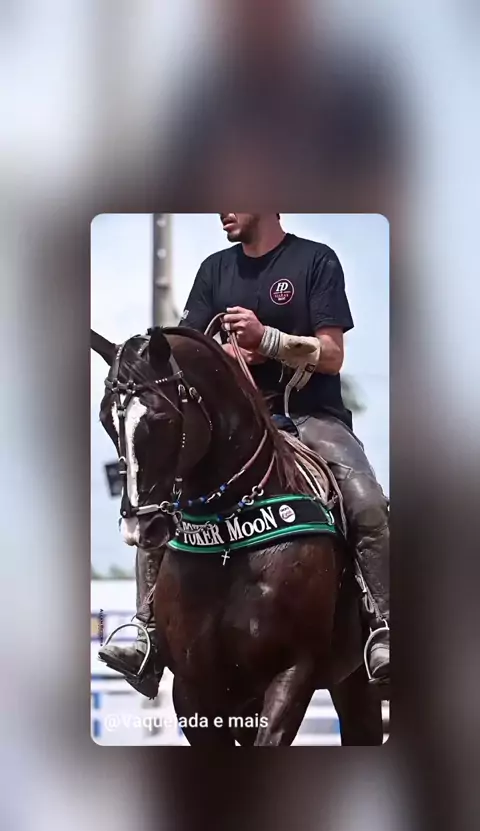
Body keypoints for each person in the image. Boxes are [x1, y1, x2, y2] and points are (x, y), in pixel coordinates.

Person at [100, 213, 389, 694]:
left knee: (367, 502)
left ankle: (383, 627)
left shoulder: (315, 261)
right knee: (158, 501)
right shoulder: (214, 270)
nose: (223, 209)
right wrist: (224, 354)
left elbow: (333, 354)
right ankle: (146, 633)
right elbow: (183, 352)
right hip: (237, 431)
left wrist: (267, 340)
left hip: (310, 418)